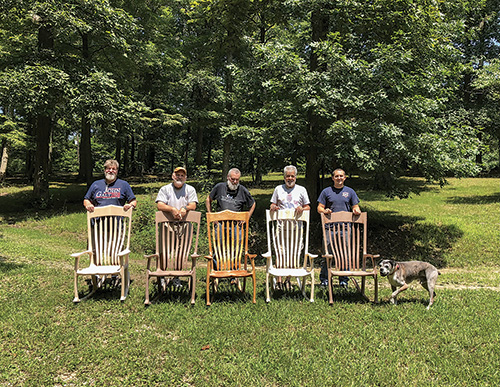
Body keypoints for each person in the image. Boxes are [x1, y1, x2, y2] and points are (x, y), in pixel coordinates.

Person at [206, 168, 255, 275]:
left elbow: (253, 204)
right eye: (233, 179)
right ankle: (216, 270)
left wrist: (246, 218)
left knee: (236, 249)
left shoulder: (242, 190)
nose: (235, 182)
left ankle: (235, 273)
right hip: (220, 223)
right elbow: (208, 200)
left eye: (237, 180)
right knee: (217, 247)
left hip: (235, 225)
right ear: (228, 178)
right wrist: (211, 215)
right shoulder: (219, 187)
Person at [317, 168, 361, 288]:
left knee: (344, 254)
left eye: (341, 176)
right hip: (330, 228)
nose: (339, 178)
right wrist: (325, 210)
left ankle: (343, 281)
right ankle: (325, 279)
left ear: (345, 178)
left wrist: (356, 211)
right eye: (336, 176)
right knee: (328, 253)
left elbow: (356, 207)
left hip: (345, 228)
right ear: (332, 178)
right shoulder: (326, 192)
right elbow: (319, 208)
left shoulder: (350, 192)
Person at [270, 165, 311, 289]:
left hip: (296, 227)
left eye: (292, 176)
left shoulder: (301, 190)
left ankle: (289, 279)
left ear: (296, 177)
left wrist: (302, 208)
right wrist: (273, 207)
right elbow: (273, 203)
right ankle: (279, 280)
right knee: (280, 251)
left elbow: (308, 207)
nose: (290, 178)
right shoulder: (278, 189)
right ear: (284, 177)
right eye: (288, 176)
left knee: (294, 252)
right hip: (281, 226)